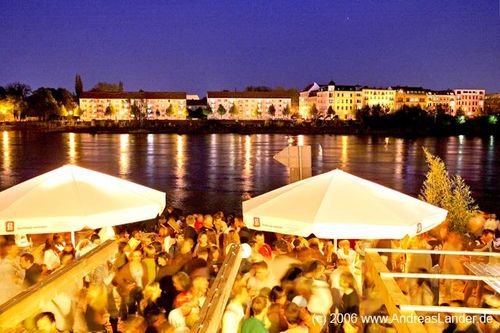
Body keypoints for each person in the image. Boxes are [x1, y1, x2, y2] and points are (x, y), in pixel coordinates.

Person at [114, 249, 149, 318]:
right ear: (132, 257)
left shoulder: (143, 264)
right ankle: (132, 322)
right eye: (135, 256)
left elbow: (146, 277)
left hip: (141, 289)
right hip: (131, 291)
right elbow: (118, 278)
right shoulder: (127, 267)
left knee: (142, 307)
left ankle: (142, 322)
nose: (138, 258)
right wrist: (126, 285)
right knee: (131, 308)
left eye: (139, 256)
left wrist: (145, 286)